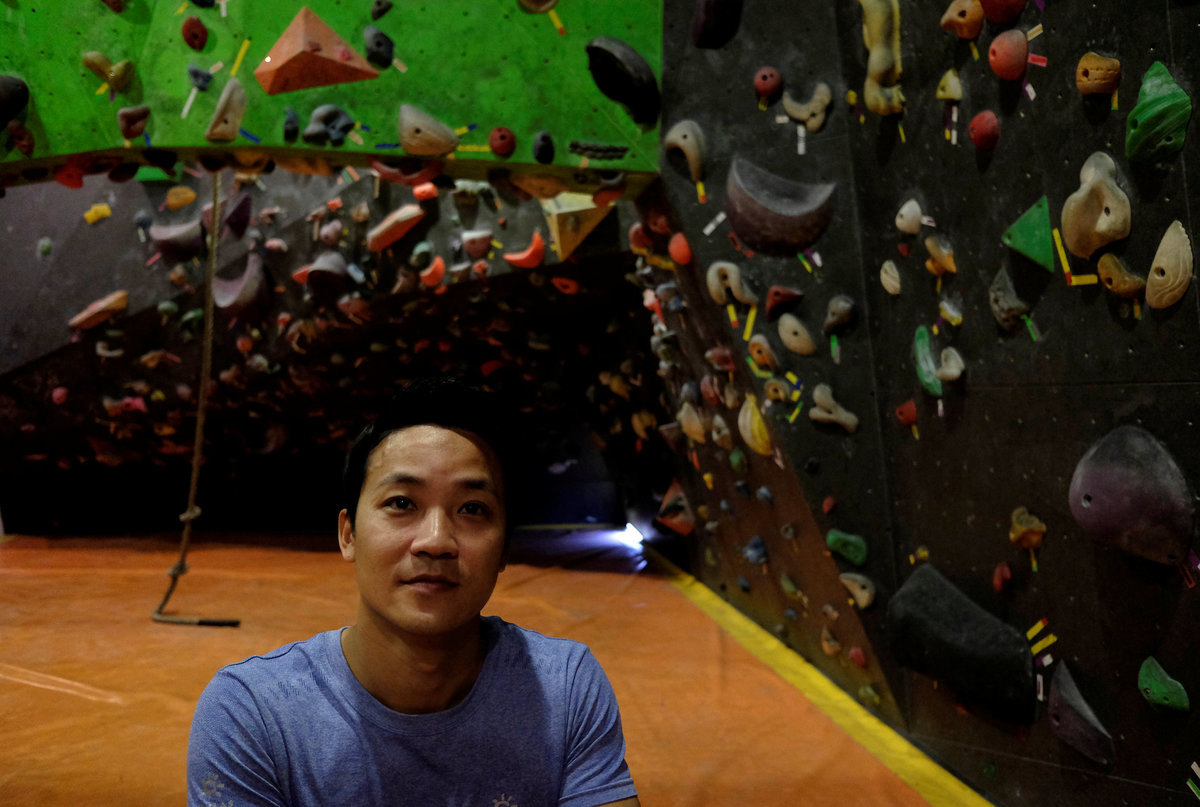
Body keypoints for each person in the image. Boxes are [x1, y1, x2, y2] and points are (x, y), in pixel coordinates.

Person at [188, 378, 640, 806]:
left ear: (504, 548)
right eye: (401, 503)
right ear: (348, 534)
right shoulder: (253, 714)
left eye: (472, 508)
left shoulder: (563, 689)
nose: (436, 541)